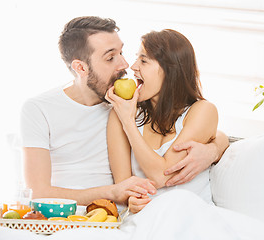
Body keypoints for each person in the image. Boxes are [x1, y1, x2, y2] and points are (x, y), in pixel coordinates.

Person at [20, 16, 229, 207]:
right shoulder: (41, 109)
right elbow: (38, 192)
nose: (128, 65)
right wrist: (119, 194)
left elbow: (203, 125)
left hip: (157, 211)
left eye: (122, 52)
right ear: (81, 68)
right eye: (110, 58)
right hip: (80, 213)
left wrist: (215, 148)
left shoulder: (123, 105)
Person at [105, 29, 220, 213]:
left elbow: (162, 175)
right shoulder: (120, 115)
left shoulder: (203, 111)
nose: (133, 67)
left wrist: (129, 123)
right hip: (147, 218)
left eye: (143, 60)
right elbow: (124, 186)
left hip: (192, 215)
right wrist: (131, 200)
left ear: (170, 71)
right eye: (136, 58)